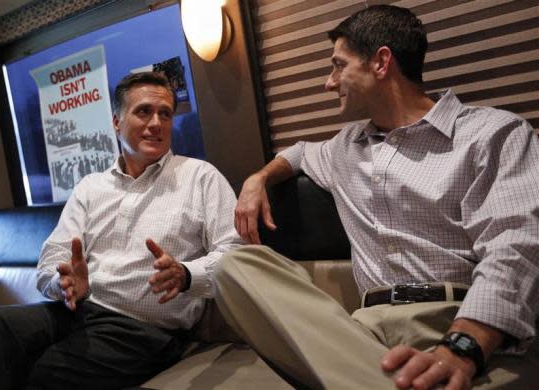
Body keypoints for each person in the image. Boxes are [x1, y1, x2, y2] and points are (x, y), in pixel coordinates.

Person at [214, 5, 539, 389]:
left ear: (381, 62)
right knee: (234, 266)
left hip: (455, 320)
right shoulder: (344, 147)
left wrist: (463, 345)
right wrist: (257, 179)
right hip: (361, 333)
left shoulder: (495, 134)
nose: (328, 82)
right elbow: (299, 152)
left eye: (338, 65)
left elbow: (515, 247)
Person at [0, 71, 242, 389]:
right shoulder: (90, 187)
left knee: (48, 373)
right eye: (143, 111)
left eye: (165, 114)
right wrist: (65, 283)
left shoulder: (200, 177)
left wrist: (186, 275)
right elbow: (53, 256)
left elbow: (234, 253)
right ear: (116, 121)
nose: (156, 123)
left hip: (144, 331)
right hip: (77, 311)